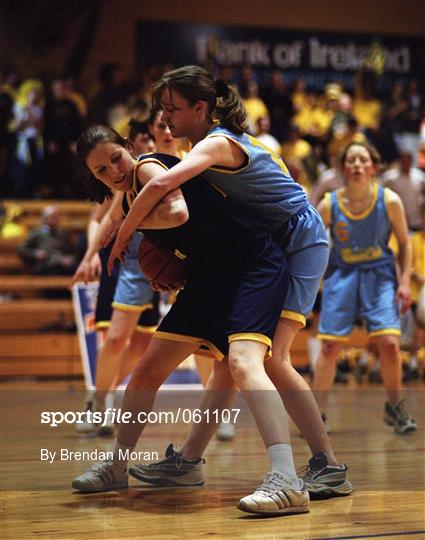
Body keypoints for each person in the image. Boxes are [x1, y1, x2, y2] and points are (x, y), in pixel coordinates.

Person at [109, 66, 351, 498]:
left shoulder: (216, 143)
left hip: (299, 237)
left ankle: (327, 464)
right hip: (273, 239)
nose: (165, 119)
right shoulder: (209, 144)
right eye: (162, 110)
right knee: (228, 361)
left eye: (173, 109)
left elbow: (164, 181)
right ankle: (187, 461)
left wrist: (123, 234)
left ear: (200, 108)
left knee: (271, 359)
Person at [72, 125, 310, 516]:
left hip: (253, 266)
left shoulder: (148, 168)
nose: (113, 171)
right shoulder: (130, 191)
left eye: (115, 157)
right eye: (101, 170)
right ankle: (117, 466)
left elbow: (178, 212)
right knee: (148, 370)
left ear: (129, 147)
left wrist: (127, 230)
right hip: (211, 276)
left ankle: (287, 479)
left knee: (241, 364)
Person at [312, 141, 417, 434]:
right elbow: (315, 246)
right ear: (344, 168)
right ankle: (315, 414)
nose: (357, 165)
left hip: (380, 275)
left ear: (373, 167)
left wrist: (405, 282)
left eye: (363, 160)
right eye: (351, 160)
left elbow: (405, 245)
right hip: (342, 274)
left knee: (390, 345)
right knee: (331, 346)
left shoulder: (390, 200)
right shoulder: (329, 203)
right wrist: (311, 281)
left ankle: (395, 408)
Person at [72, 195, 160, 436]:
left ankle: (104, 393)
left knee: (142, 343)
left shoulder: (167, 167)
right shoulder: (120, 174)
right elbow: (98, 219)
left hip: (150, 257)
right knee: (115, 337)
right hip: (117, 259)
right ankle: (99, 403)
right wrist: (91, 255)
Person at [18, 205, 77, 275]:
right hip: (46, 265)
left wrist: (69, 258)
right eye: (52, 217)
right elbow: (22, 249)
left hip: (62, 265)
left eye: (57, 216)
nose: (55, 219)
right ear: (44, 219)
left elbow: (73, 252)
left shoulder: (64, 234)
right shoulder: (36, 233)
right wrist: (35, 254)